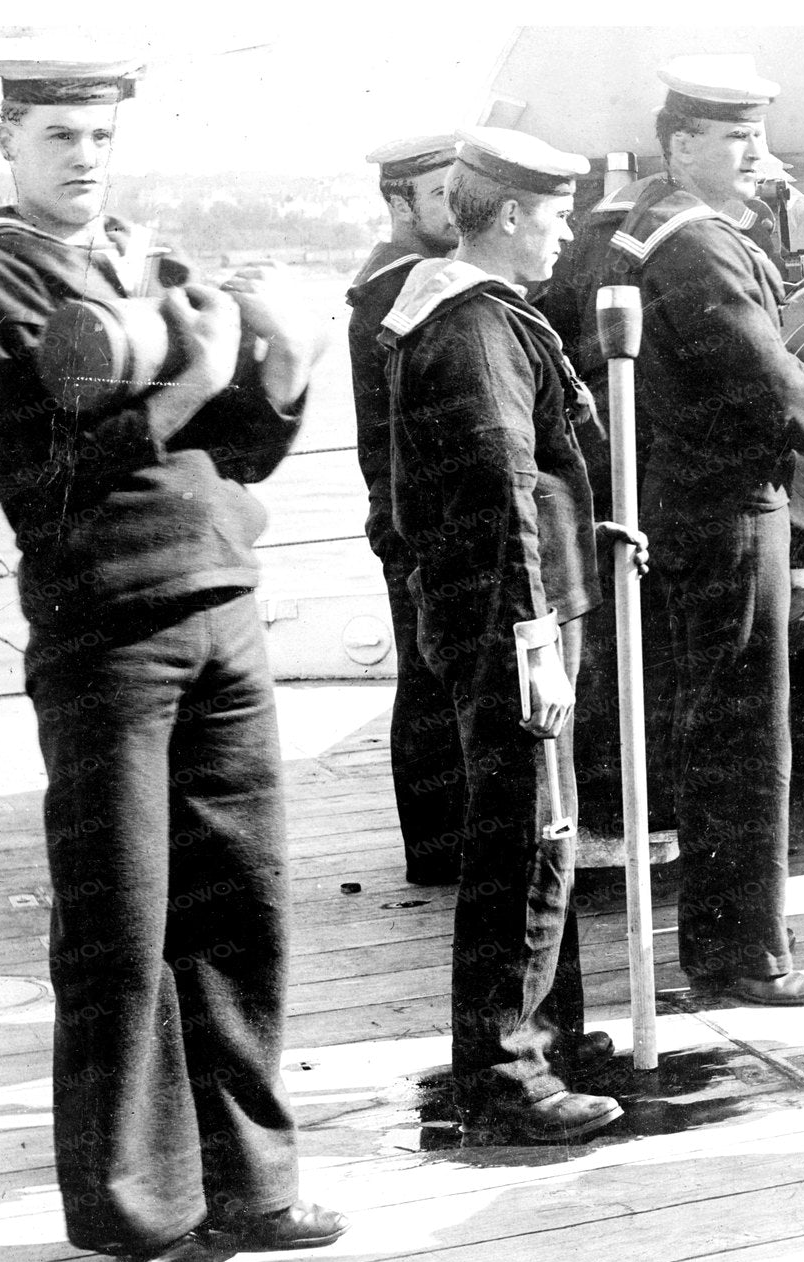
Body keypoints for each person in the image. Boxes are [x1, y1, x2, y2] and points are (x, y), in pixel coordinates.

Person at [0, 51, 344, 1262]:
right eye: (54, 135)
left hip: (222, 606)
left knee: (240, 904)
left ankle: (251, 1184)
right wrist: (193, 374)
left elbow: (236, 455)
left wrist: (284, 377)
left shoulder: (153, 263)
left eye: (96, 135)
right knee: (122, 924)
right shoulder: (0, 282)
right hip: (106, 632)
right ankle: (143, 1211)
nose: (81, 157)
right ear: (5, 141)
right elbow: (43, 487)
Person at [573, 56, 804, 1007]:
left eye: (759, 136)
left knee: (702, 722)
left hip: (665, 498)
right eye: (737, 140)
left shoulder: (639, 227)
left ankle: (716, 941)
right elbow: (764, 376)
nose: (759, 155)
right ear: (680, 145)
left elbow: (752, 351)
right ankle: (745, 955)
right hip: (731, 513)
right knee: (747, 736)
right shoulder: (699, 243)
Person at [382, 127, 640, 1141]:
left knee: (540, 831)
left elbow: (535, 471)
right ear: (517, 217)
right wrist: (534, 635)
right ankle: (507, 1077)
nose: (566, 231)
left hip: (504, 607)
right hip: (510, 619)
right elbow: (496, 489)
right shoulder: (478, 328)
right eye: (556, 214)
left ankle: (543, 1036)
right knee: (529, 838)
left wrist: (593, 523)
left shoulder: (465, 310)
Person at [347, 132, 464, 886]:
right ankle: (438, 850)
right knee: (430, 681)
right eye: (444, 195)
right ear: (399, 203)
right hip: (423, 517)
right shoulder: (403, 286)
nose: (462, 207)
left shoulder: (392, 278)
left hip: (407, 511)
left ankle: (436, 847)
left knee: (428, 677)